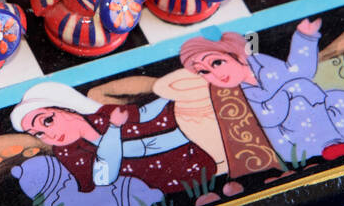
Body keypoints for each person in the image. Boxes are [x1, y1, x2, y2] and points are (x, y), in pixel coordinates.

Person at [179, 20, 344, 163]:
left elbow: (299, 70)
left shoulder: (262, 63)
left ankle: (336, 140)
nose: (215, 74)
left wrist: (304, 37)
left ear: (236, 54)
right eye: (203, 71)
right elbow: (268, 117)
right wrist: (288, 93)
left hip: (314, 111)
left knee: (334, 100)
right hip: (289, 134)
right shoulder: (237, 94)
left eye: (217, 62)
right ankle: (327, 146)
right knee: (299, 93)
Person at [11, 82, 215, 195]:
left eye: (47, 121)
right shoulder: (67, 152)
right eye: (37, 134)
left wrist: (171, 95)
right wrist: (114, 128)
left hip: (182, 133)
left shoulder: (100, 114)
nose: (50, 135)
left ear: (65, 108)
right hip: (169, 175)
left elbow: (143, 113)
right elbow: (105, 176)